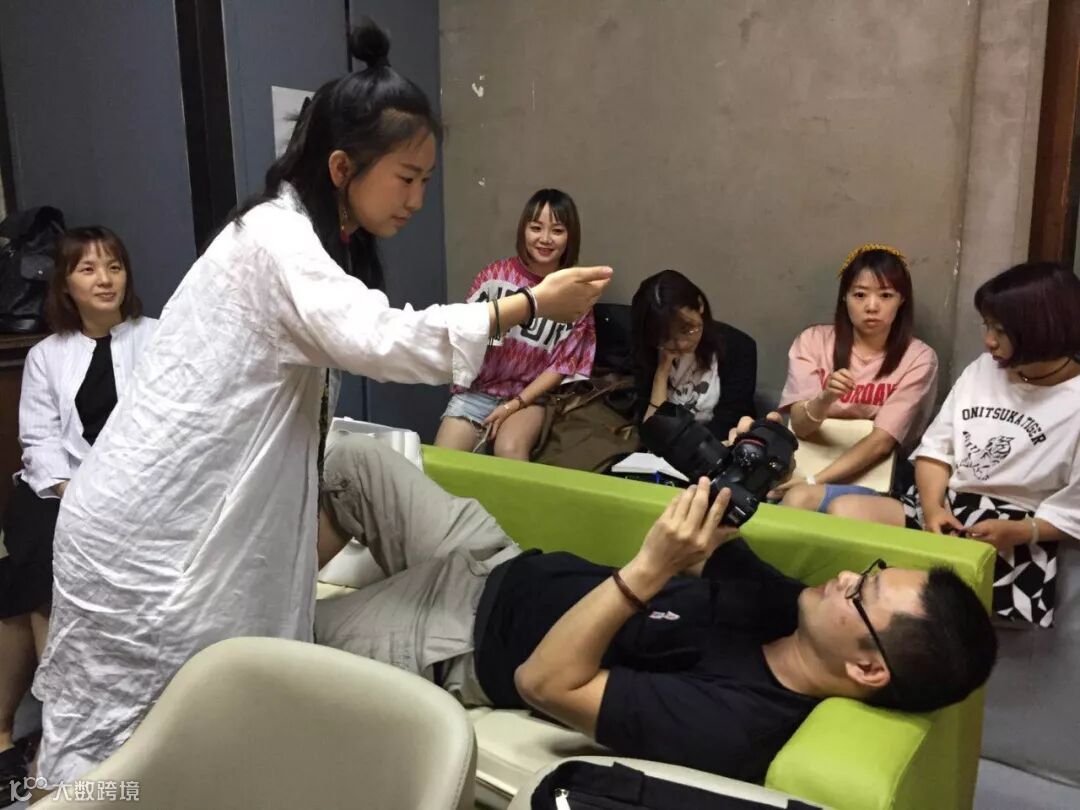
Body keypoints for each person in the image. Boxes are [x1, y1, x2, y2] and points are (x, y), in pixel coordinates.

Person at [32, 19, 611, 788]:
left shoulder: (306, 239)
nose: (417, 199)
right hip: (144, 540)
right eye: (406, 178)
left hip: (183, 533)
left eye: (427, 181)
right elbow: (384, 338)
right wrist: (527, 304)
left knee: (196, 735)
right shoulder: (273, 241)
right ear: (343, 167)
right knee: (113, 755)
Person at [315, 423, 997, 784]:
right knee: (352, 461)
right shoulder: (790, 610)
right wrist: (736, 472)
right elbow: (714, 546)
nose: (845, 576)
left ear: (869, 669)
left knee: (271, 637)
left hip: (457, 637)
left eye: (862, 593)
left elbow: (543, 682)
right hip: (495, 560)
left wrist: (647, 570)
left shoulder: (734, 722)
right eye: (868, 572)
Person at [829, 263, 1080, 627]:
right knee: (844, 512)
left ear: (1043, 330)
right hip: (944, 505)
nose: (988, 341)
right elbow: (936, 449)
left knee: (938, 610)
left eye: (1001, 330)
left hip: (1016, 526)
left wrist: (1023, 531)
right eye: (987, 326)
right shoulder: (983, 369)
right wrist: (932, 508)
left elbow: (1074, 509)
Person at [0, 227, 156, 804]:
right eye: (88, 269)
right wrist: (71, 489)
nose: (105, 279)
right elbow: (38, 441)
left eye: (114, 266)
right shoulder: (47, 354)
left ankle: (68, 731)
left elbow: (166, 429)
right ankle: (51, 721)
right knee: (36, 560)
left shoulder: (155, 338)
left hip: (133, 490)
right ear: (66, 283)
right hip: (57, 489)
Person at [434, 189, 596, 460]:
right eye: (536, 228)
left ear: (570, 237)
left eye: (557, 230)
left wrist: (514, 405)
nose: (545, 239)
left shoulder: (575, 292)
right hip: (480, 391)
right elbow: (466, 337)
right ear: (524, 230)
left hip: (531, 398)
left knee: (509, 449)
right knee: (443, 458)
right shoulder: (495, 277)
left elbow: (562, 366)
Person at [775, 244, 938, 512]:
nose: (872, 306)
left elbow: (882, 442)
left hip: (871, 478)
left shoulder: (918, 358)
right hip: (802, 466)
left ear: (902, 300)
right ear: (844, 297)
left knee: (799, 500)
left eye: (886, 295)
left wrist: (814, 481)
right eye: (860, 295)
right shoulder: (813, 341)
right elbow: (801, 426)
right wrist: (825, 398)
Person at [631, 269, 755, 439]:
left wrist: (680, 447)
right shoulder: (651, 349)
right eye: (667, 337)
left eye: (687, 329)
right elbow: (649, 431)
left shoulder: (739, 347)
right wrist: (662, 371)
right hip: (662, 448)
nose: (681, 344)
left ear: (700, 305)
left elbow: (730, 422)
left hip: (715, 445)